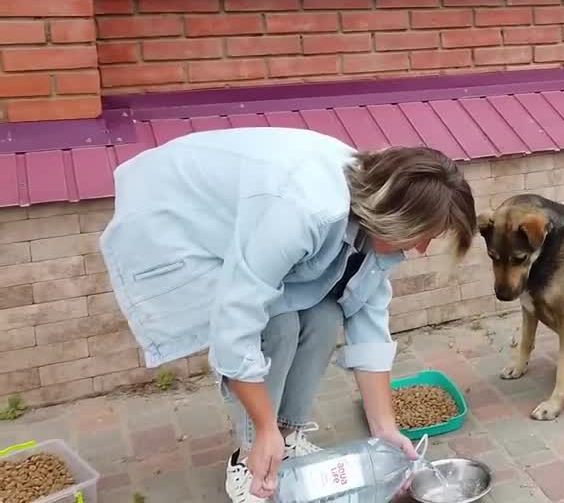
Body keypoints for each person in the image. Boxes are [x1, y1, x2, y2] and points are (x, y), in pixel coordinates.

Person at [98, 127, 477, 502]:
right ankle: (251, 459)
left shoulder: (372, 207)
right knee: (275, 326)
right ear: (395, 218)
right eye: (423, 234)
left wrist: (385, 430)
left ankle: (286, 436)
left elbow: (369, 320)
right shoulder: (306, 209)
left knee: (326, 316)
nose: (423, 249)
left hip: (257, 211)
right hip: (178, 216)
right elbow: (237, 325)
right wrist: (263, 429)